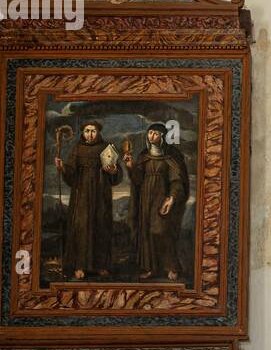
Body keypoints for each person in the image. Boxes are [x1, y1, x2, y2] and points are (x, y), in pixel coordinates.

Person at [55, 120, 120, 279]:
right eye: (87, 131)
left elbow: (117, 176)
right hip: (82, 194)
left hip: (101, 194)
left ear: (98, 132)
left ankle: (101, 265)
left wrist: (113, 171)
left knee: (101, 226)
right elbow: (71, 174)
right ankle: (79, 265)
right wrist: (62, 167)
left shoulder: (106, 148)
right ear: (83, 133)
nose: (90, 134)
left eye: (93, 131)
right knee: (81, 227)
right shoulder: (77, 149)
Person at [123, 122, 188, 281]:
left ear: (163, 137)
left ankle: (172, 266)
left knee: (161, 231)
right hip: (145, 199)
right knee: (146, 233)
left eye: (156, 133)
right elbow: (138, 180)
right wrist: (131, 167)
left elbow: (177, 181)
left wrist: (171, 198)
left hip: (162, 198)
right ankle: (152, 268)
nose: (152, 136)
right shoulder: (143, 156)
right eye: (150, 133)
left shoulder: (171, 157)